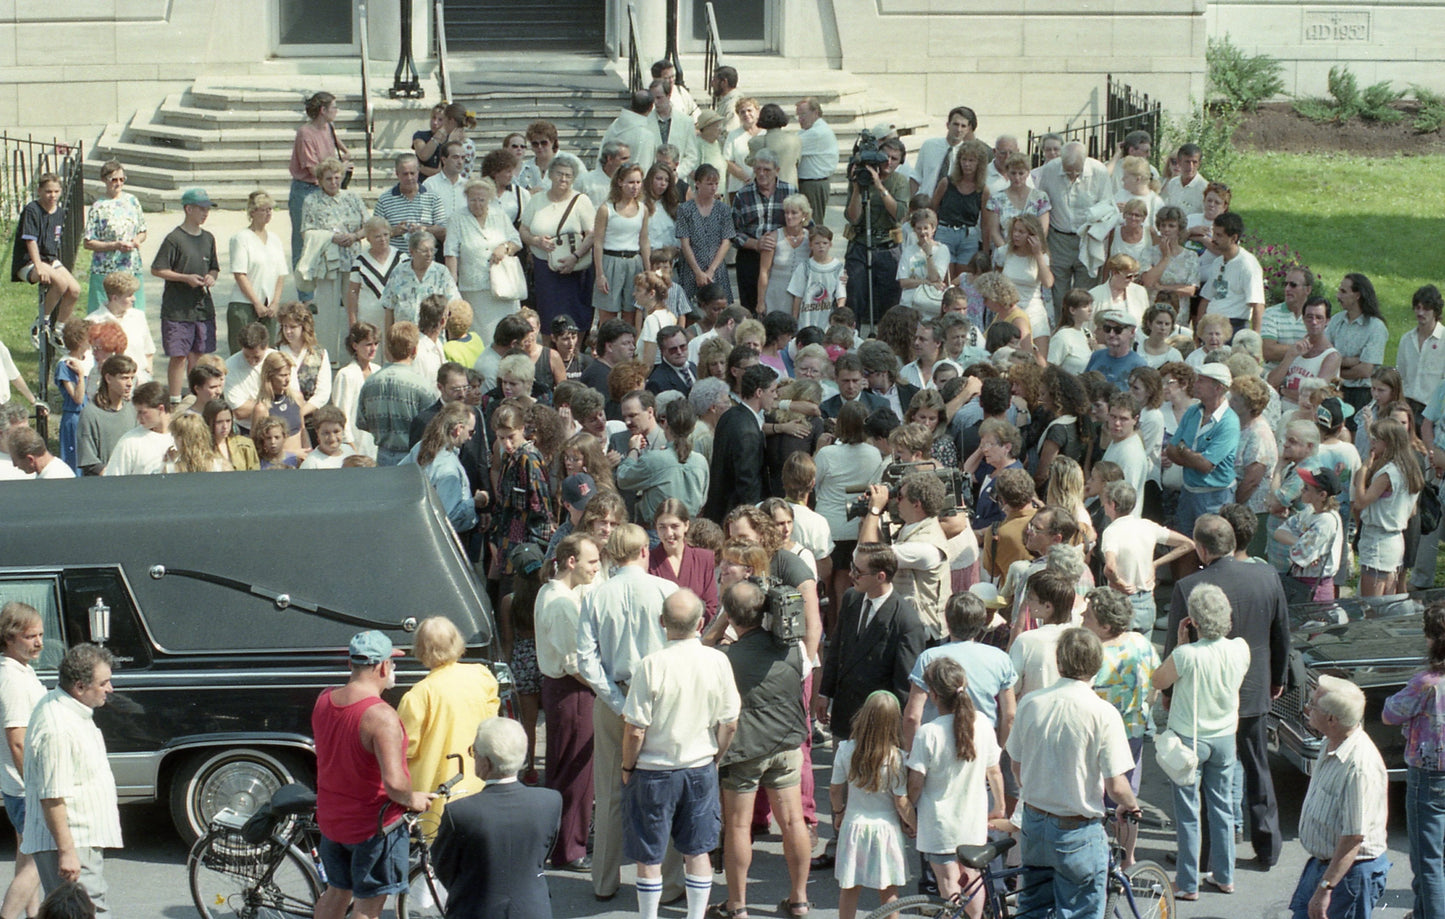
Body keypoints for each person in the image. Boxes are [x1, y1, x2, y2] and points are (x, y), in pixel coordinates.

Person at [1165, 513, 1290, 869]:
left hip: (1204, 696)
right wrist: (1277, 677)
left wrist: (1170, 694)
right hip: (1253, 687)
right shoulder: (1266, 576)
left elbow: (1176, 647)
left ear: (1201, 549)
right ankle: (1267, 848)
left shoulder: (1188, 587)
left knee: (1203, 779)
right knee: (1257, 768)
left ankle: (1204, 855)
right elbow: (1281, 632)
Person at [574, 524, 685, 901]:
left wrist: (616, 702)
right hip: (661, 696)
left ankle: (604, 879)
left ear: (610, 554)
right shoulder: (666, 590)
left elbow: (586, 660)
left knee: (608, 791)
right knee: (665, 787)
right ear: (643, 552)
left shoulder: (595, 596)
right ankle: (670, 884)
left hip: (613, 696)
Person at [1006, 627, 1141, 919]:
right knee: (1079, 910)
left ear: (1059, 662)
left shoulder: (1031, 703)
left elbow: (1017, 765)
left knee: (1033, 908)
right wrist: (1129, 805)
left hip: (1034, 821)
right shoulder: (1103, 713)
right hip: (1076, 829)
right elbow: (1116, 785)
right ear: (1097, 664)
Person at [620, 589, 739, 919]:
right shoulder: (718, 661)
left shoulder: (650, 665)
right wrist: (715, 757)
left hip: (653, 770)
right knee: (698, 849)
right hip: (700, 766)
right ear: (701, 623)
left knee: (649, 853)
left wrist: (627, 766)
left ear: (662, 622)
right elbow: (729, 723)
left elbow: (635, 729)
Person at [312, 632, 434, 919]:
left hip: (332, 820)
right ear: (382, 667)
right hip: (372, 827)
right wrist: (412, 798)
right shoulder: (381, 716)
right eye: (392, 663)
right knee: (368, 907)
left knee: (337, 891)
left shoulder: (324, 699)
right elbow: (394, 784)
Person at [714, 580, 811, 919]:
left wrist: (719, 623)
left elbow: (703, 647)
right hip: (786, 743)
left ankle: (736, 905)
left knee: (739, 827)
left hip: (746, 750)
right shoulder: (792, 649)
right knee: (792, 821)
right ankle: (799, 899)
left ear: (732, 615)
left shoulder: (725, 657)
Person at [1153, 583, 1250, 899]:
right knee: (1222, 808)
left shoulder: (1185, 655)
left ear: (1192, 621)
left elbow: (1159, 681)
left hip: (1189, 738)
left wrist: (1180, 645)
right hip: (1224, 736)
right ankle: (1225, 875)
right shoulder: (1240, 649)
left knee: (1187, 812)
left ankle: (1187, 881)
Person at [21, 644, 120, 914]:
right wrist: (67, 852)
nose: (110, 689)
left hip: (79, 839)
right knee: (87, 912)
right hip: (72, 840)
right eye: (104, 683)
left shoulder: (69, 710)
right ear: (79, 686)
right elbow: (52, 797)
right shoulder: (58, 727)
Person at [431, 716, 561, 919]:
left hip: (475, 909)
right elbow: (540, 854)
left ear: (486, 761)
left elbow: (444, 868)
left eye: (474, 752)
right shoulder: (550, 801)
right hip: (533, 909)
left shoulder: (460, 812)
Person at [1288, 675, 1391, 919]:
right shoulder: (1331, 742)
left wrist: (1325, 888)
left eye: (1313, 705)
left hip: (1348, 875)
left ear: (1332, 719)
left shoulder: (1358, 767)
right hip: (1324, 865)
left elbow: (1353, 837)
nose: (1306, 708)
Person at [906, 657, 1004, 908]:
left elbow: (915, 784)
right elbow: (994, 772)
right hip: (972, 820)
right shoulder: (982, 723)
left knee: (948, 880)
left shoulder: (928, 733)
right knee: (972, 878)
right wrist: (998, 808)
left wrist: (908, 813)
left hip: (939, 824)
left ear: (933, 695)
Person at [815, 543, 930, 741]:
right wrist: (825, 693)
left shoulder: (905, 621)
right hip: (844, 718)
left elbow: (904, 686)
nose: (851, 575)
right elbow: (837, 649)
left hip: (876, 728)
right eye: (852, 567)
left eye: (858, 572)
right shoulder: (852, 599)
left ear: (880, 577)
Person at [535, 533, 602, 870]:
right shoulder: (560, 602)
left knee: (564, 768)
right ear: (572, 562)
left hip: (562, 691)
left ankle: (563, 839)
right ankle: (569, 848)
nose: (597, 567)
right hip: (572, 692)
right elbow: (575, 663)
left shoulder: (555, 591)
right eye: (592, 561)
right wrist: (605, 690)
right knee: (576, 771)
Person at [396, 616, 499, 823]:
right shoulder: (482, 676)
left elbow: (404, 750)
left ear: (420, 649)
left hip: (436, 796)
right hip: (479, 784)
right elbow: (492, 721)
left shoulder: (418, 695)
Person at [1382, 603, 1445, 919]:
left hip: (1428, 776)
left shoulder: (1426, 682)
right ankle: (1421, 912)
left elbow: (1390, 712)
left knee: (1427, 858)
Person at [830, 690, 913, 919]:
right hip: (886, 830)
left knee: (849, 887)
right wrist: (914, 824)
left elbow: (836, 789)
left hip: (854, 826)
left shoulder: (846, 750)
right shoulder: (897, 757)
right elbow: (901, 800)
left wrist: (839, 812)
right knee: (888, 889)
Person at [150, 188, 220, 401]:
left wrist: (211, 277)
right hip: (177, 308)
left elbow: (214, 267)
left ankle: (194, 396)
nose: (205, 213)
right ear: (188, 209)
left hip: (201, 306)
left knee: (199, 355)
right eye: (201, 208)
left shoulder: (208, 238)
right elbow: (158, 269)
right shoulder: (175, 238)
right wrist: (185, 278)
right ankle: (174, 398)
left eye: (207, 209)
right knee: (178, 355)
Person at [0, 603, 46, 919]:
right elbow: (17, 740)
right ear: (9, 637)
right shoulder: (12, 679)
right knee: (39, 862)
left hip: (20, 786)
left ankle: (34, 915)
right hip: (26, 786)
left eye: (41, 634)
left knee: (27, 856)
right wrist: (34, 788)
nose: (39, 642)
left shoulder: (21, 670)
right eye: (31, 636)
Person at [1099, 481, 1195, 630]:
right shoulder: (1147, 526)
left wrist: (1118, 582)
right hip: (1147, 601)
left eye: (1104, 502)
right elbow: (1188, 544)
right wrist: (1155, 564)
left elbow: (1110, 568)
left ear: (1112, 504)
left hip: (1122, 602)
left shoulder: (1111, 531)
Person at [520, 157, 598, 335]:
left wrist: (575, 257)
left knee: (576, 315)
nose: (563, 179)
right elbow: (523, 230)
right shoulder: (537, 200)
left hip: (574, 269)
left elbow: (592, 234)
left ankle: (574, 356)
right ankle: (549, 355)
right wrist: (536, 241)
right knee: (548, 316)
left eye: (568, 175)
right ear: (550, 175)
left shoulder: (581, 200)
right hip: (544, 268)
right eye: (559, 174)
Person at [1035, 143, 1115, 316]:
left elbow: (1108, 206)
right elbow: (1040, 202)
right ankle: (1061, 329)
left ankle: (1083, 332)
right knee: (1059, 295)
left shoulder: (1099, 171)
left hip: (1088, 239)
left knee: (1085, 295)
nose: (1071, 175)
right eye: (1067, 171)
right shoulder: (1050, 170)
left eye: (1076, 171)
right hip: (1059, 239)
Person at [1164, 362, 1240, 537]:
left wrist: (1182, 449)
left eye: (1202, 381)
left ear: (1218, 388)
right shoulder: (1193, 411)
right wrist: (1191, 457)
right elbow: (1171, 450)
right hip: (1189, 491)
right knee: (1186, 542)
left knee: (1211, 544)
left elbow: (1205, 464)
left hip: (1216, 498)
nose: (1195, 385)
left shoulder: (1229, 422)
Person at [845, 137, 910, 326]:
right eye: (885, 156)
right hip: (861, 243)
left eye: (894, 159)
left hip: (887, 246)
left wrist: (880, 186)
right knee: (854, 295)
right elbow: (853, 217)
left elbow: (899, 213)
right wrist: (858, 188)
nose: (888, 162)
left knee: (890, 299)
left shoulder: (899, 181)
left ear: (900, 162)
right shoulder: (861, 177)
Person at [704, 364, 778, 519]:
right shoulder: (748, 432)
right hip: (735, 516)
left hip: (718, 509)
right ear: (759, 392)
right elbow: (747, 482)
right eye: (772, 391)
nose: (776, 395)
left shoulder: (729, 415)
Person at [11, 172, 80, 339]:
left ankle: (59, 329)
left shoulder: (59, 212)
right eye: (48, 191)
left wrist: (49, 264)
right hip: (29, 261)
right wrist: (39, 266)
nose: (52, 195)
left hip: (49, 259)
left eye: (56, 191)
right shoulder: (32, 210)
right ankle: (42, 322)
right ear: (39, 191)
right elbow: (30, 241)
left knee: (75, 290)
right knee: (60, 283)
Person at [356, 322, 435, 466]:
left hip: (382, 454)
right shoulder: (423, 387)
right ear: (414, 350)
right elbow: (432, 427)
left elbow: (362, 422)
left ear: (387, 350)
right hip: (412, 456)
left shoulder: (370, 383)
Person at [289, 91, 350, 271]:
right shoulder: (305, 134)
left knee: (329, 234)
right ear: (323, 110)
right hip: (306, 189)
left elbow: (338, 144)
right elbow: (312, 168)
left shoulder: (328, 127)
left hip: (326, 188)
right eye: (334, 107)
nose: (336, 111)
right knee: (304, 239)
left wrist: (345, 154)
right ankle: (305, 294)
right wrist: (340, 169)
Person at [732, 150, 796, 313]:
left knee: (780, 308)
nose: (761, 173)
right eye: (757, 169)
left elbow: (805, 223)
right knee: (751, 309)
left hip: (782, 258)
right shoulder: (743, 195)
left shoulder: (790, 192)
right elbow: (732, 232)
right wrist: (756, 244)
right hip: (751, 256)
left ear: (777, 170)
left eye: (766, 169)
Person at [82, 161, 147, 315]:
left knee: (132, 314)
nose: (118, 183)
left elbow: (143, 230)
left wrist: (137, 241)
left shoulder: (132, 201)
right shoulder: (98, 206)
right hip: (106, 269)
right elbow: (88, 242)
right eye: (114, 180)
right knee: (104, 315)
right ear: (104, 180)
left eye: (121, 179)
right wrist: (115, 245)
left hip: (130, 266)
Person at [1328, 273, 1390, 417]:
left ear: (1357, 295)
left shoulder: (1375, 327)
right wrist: (1351, 361)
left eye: (1343, 291)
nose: (1338, 295)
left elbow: (1365, 371)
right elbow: (1324, 356)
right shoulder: (1336, 321)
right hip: (1337, 391)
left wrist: (1335, 370)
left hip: (1362, 394)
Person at [75, 355, 136, 476]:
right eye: (124, 378)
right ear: (108, 378)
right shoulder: (90, 414)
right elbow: (89, 459)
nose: (129, 383)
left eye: (132, 378)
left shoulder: (133, 410)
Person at [374, 153, 446, 250]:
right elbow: (374, 233)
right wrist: (393, 232)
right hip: (396, 261)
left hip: (425, 260)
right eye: (405, 174)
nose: (409, 178)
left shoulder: (433, 198)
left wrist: (425, 230)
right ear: (397, 174)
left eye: (412, 173)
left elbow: (444, 231)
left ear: (418, 172)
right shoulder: (384, 200)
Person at [102, 381, 172, 476]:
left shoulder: (181, 437)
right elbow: (113, 479)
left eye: (143, 412)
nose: (138, 418)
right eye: (137, 412)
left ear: (160, 409)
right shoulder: (130, 442)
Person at [794, 98, 838, 221]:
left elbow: (791, 146)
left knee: (813, 224)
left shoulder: (817, 133)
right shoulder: (808, 130)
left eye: (803, 114)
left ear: (816, 113)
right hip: (809, 182)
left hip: (813, 184)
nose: (800, 119)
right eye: (797, 115)